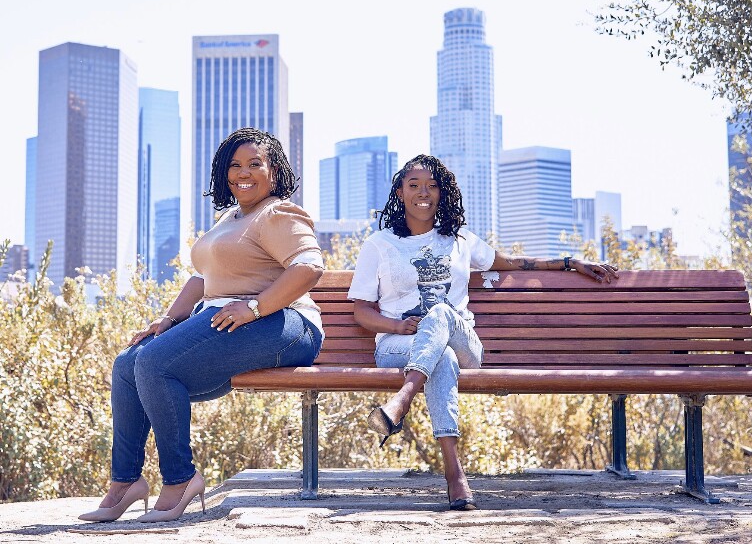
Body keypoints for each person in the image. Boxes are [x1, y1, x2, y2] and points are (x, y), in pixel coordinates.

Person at [78, 128, 325, 523]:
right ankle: (125, 482)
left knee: (154, 364)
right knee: (129, 364)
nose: (243, 172)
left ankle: (181, 479)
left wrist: (255, 308)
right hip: (227, 318)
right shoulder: (231, 218)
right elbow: (202, 280)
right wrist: (170, 318)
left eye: (254, 164)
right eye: (234, 165)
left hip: (285, 325)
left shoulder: (277, 213)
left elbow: (309, 266)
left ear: (274, 171)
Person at [347, 155, 618, 510]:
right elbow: (361, 311)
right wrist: (397, 325)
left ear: (443, 194)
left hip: (464, 346)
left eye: (432, 186)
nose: (423, 193)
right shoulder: (379, 245)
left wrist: (570, 262)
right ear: (400, 192)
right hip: (399, 345)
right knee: (438, 356)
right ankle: (455, 475)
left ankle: (403, 399)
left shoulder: (461, 240)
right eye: (414, 186)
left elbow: (515, 263)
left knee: (442, 312)